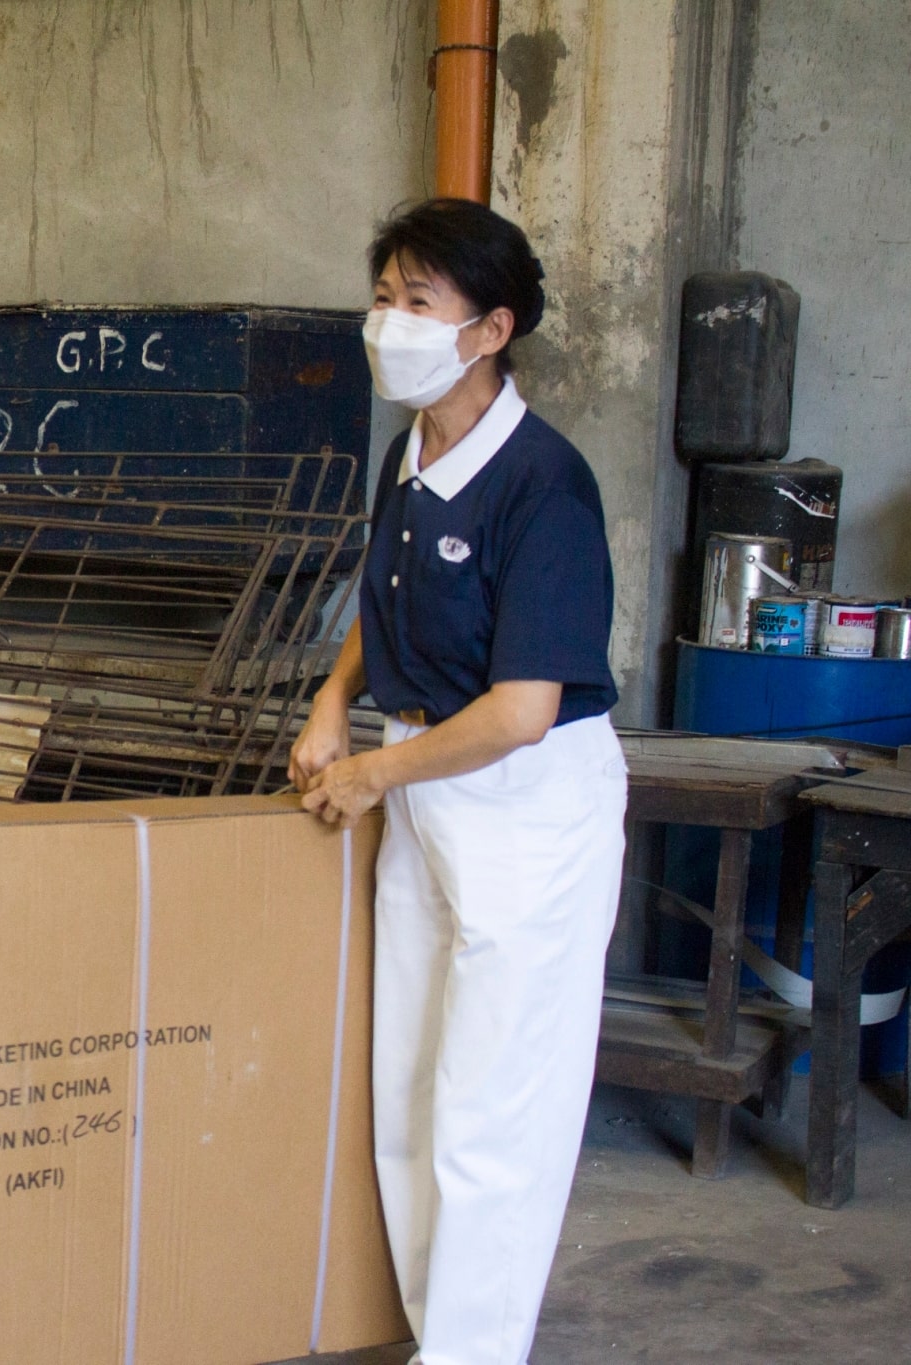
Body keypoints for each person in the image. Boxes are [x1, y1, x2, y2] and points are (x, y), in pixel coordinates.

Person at [289, 198, 627, 1365]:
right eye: (382, 296)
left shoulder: (544, 486)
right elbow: (379, 598)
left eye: (416, 304)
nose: (387, 323)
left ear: (488, 331)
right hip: (422, 775)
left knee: (492, 1115)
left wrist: (377, 770)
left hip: (519, 806)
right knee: (409, 1099)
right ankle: (439, 1336)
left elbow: (523, 711)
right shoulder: (410, 451)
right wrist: (334, 701)